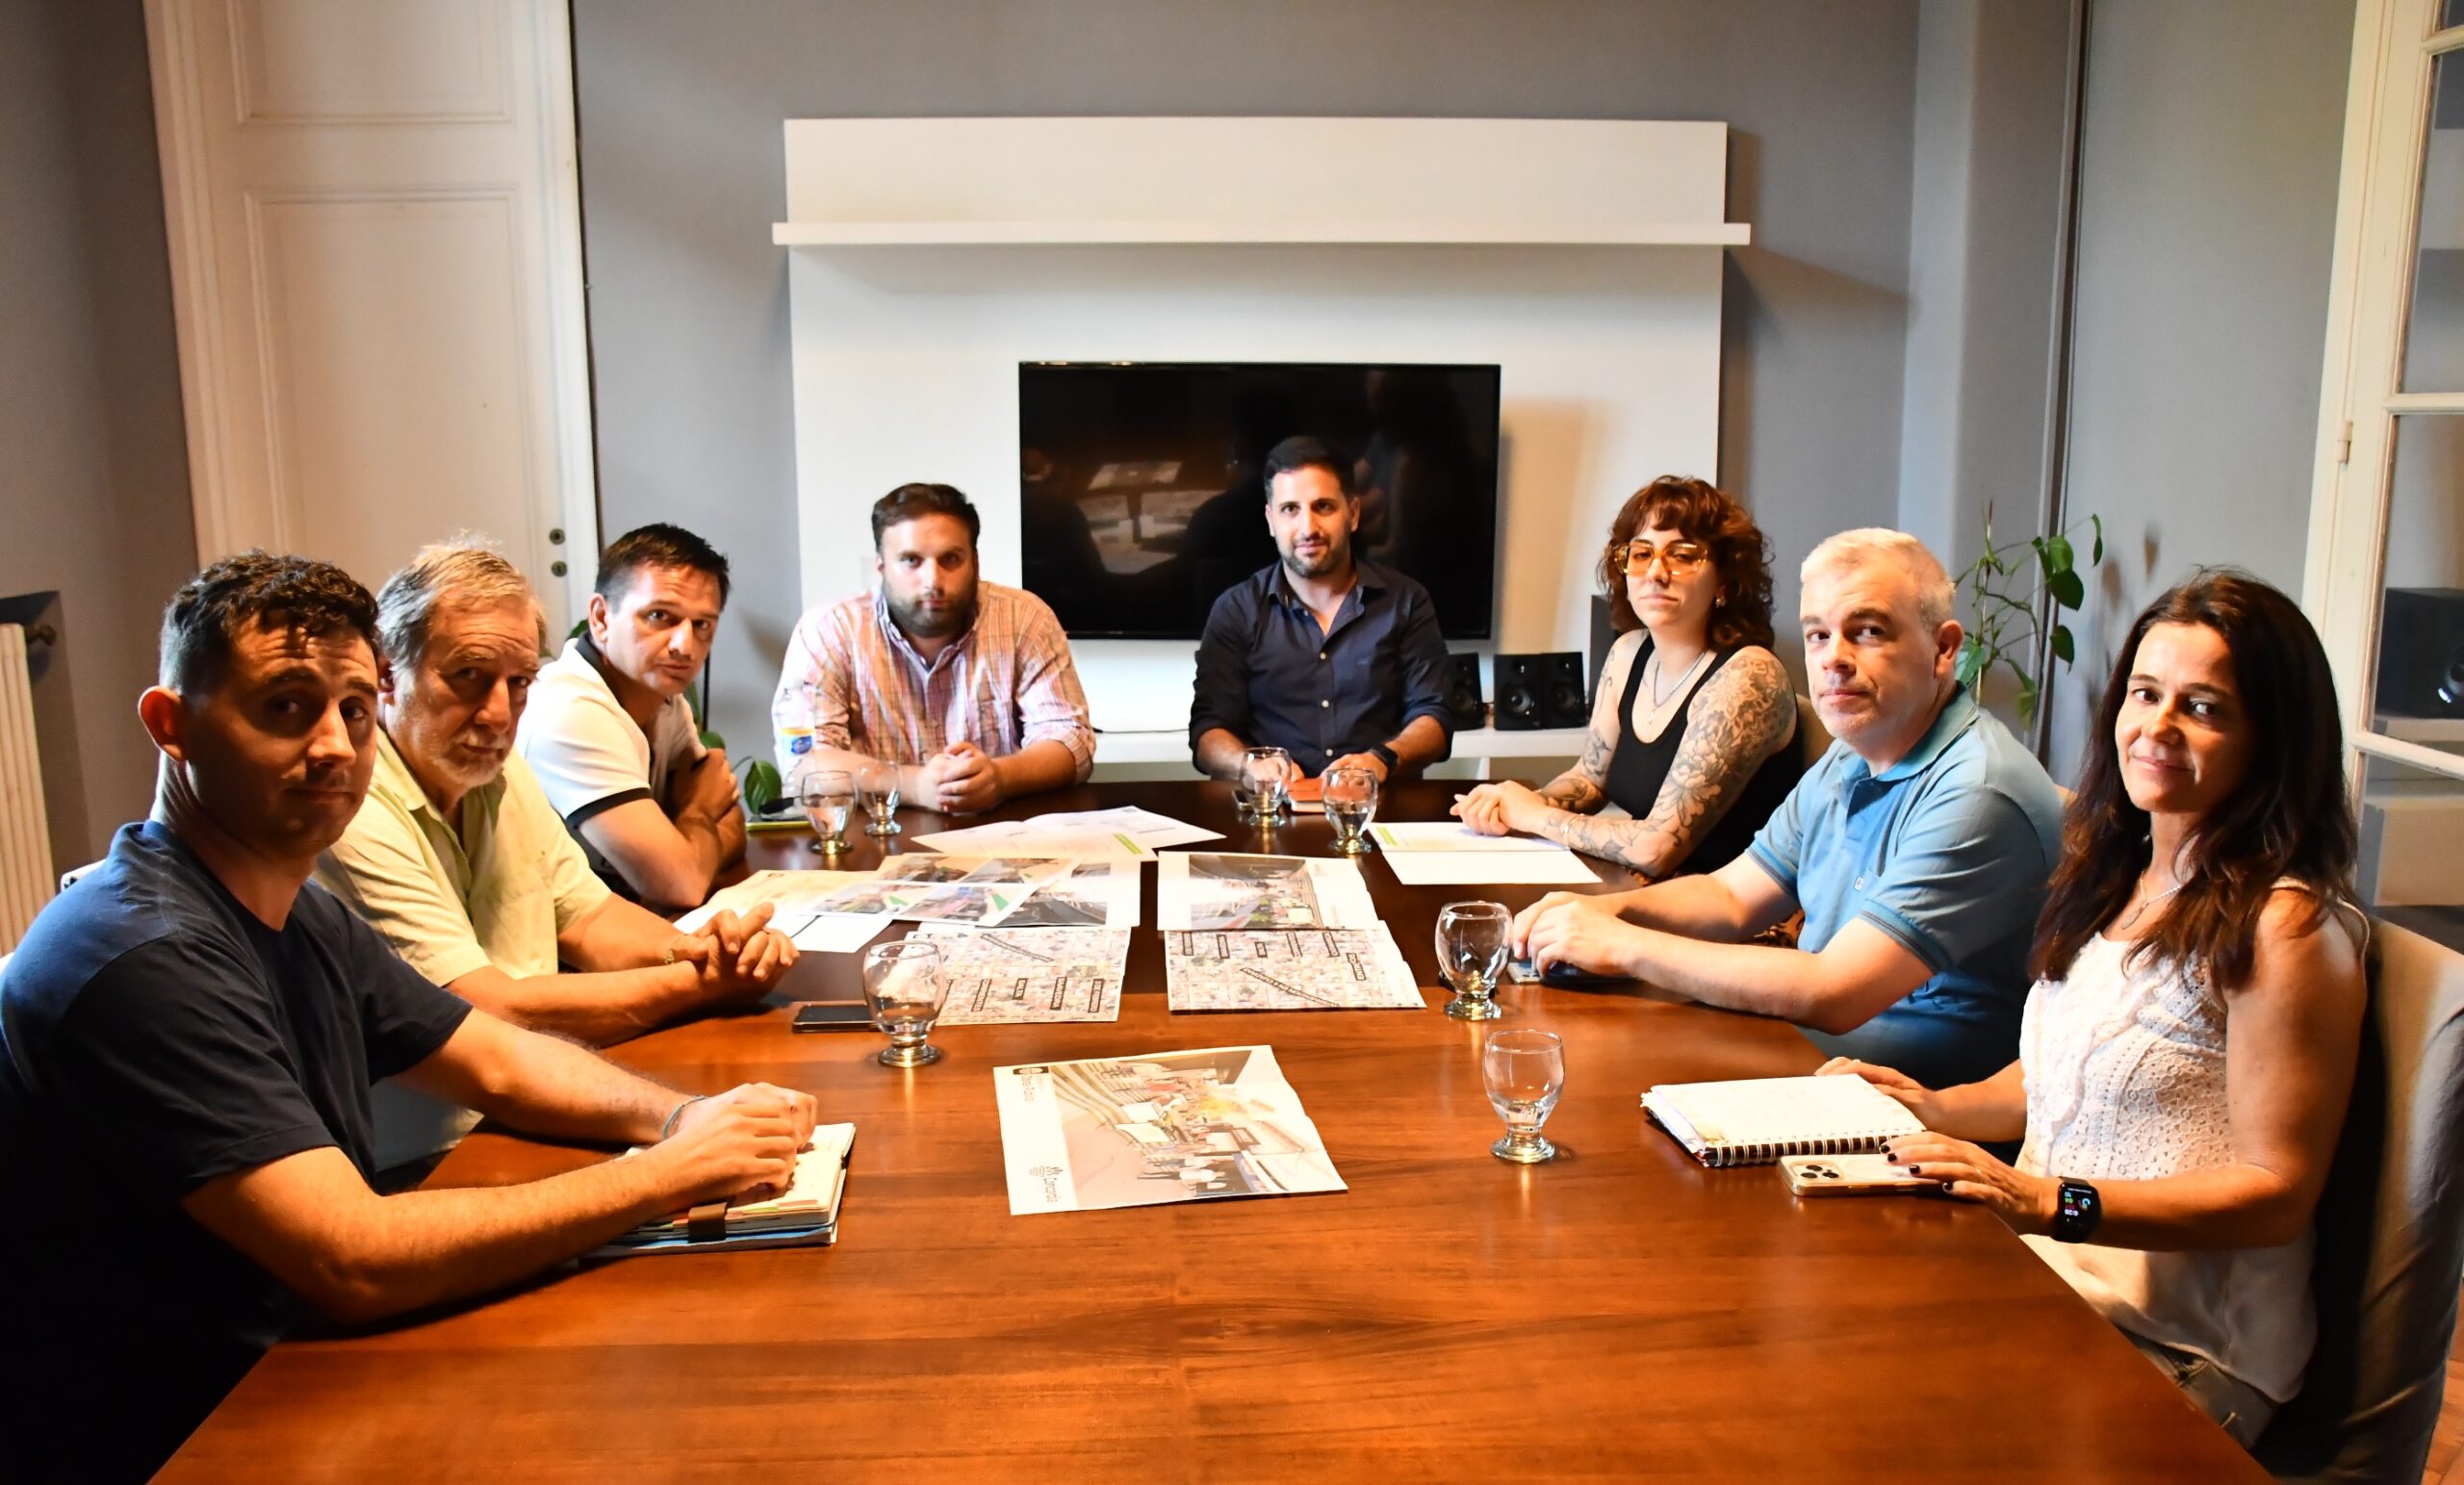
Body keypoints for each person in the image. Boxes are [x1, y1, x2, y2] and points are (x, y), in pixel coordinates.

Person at [0, 552, 820, 1483]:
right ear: (171, 724)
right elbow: (352, 1257)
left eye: (354, 710)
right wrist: (667, 1173)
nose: (334, 746)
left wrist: (681, 1116)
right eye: (285, 706)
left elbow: (499, 1060)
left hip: (300, 1368)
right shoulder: (141, 951)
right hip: (185, 1428)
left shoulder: (298, 908)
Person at [1821, 571, 2365, 1447]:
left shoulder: (2285, 928)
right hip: (2049, 1281)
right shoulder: (2118, 875)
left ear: (2273, 738)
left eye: (2204, 708)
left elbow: (2276, 1193)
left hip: (2179, 1348)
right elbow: (2057, 1072)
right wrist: (1932, 1109)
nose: (2158, 726)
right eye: (2145, 693)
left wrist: (2047, 1201)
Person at [1513, 528, 2065, 1089]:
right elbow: (1731, 898)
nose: (1834, 660)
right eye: (1818, 635)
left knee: (1582, 1079)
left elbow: (1835, 992)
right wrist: (1609, 912)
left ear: (1944, 649)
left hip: (1909, 1107)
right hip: (1805, 1052)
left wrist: (1624, 945)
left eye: (1869, 632)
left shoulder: (1977, 793)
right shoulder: (1854, 752)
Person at [321, 540, 801, 1174]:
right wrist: (700, 982)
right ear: (387, 672)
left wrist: (709, 950)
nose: (499, 714)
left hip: (544, 1101)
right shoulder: (348, 805)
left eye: (519, 682)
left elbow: (592, 920)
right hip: (431, 1160)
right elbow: (485, 1009)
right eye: (468, 675)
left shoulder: (498, 771)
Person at [1452, 476, 1802, 876]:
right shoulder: (1628, 652)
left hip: (1725, 905)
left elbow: (1657, 848)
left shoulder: (1748, 676)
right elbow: (1591, 779)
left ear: (1724, 579)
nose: (1656, 572)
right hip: (1647, 889)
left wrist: (1533, 816)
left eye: (1683, 555)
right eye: (1641, 553)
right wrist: (1514, 804)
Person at [772, 482, 1094, 814]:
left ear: (975, 563)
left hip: (999, 830)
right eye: (911, 560)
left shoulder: (1025, 618)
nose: (933, 581)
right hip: (875, 836)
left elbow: (1072, 741)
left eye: (950, 559)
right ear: (881, 568)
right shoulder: (828, 631)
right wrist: (912, 784)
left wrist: (999, 777)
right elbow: (802, 763)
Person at [1188, 434, 1454, 784]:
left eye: (1323, 506)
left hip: (1378, 807)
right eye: (1290, 509)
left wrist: (1382, 759)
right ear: (1270, 520)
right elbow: (1208, 730)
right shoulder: (1235, 610)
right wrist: (1249, 765)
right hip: (1271, 809)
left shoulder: (1407, 601)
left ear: (1353, 514)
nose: (1308, 528)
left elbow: (1435, 715)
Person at [517, 523, 745, 906]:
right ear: (601, 618)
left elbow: (733, 827)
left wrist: (690, 848)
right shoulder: (571, 712)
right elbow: (682, 884)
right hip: (552, 934)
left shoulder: (667, 700)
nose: (684, 645)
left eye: (702, 625)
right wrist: (700, 809)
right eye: (659, 616)